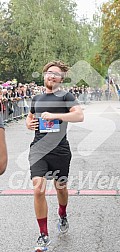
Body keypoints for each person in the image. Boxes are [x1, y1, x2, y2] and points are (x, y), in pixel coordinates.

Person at [26, 60, 84, 251]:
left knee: (60, 188)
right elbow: (30, 116)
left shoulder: (66, 96)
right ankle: (43, 235)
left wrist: (56, 116)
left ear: (61, 79)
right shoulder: (36, 98)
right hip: (38, 150)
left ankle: (62, 214)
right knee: (38, 190)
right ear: (44, 75)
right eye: (49, 72)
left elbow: (79, 116)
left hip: (59, 150)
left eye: (56, 74)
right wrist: (28, 123)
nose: (52, 76)